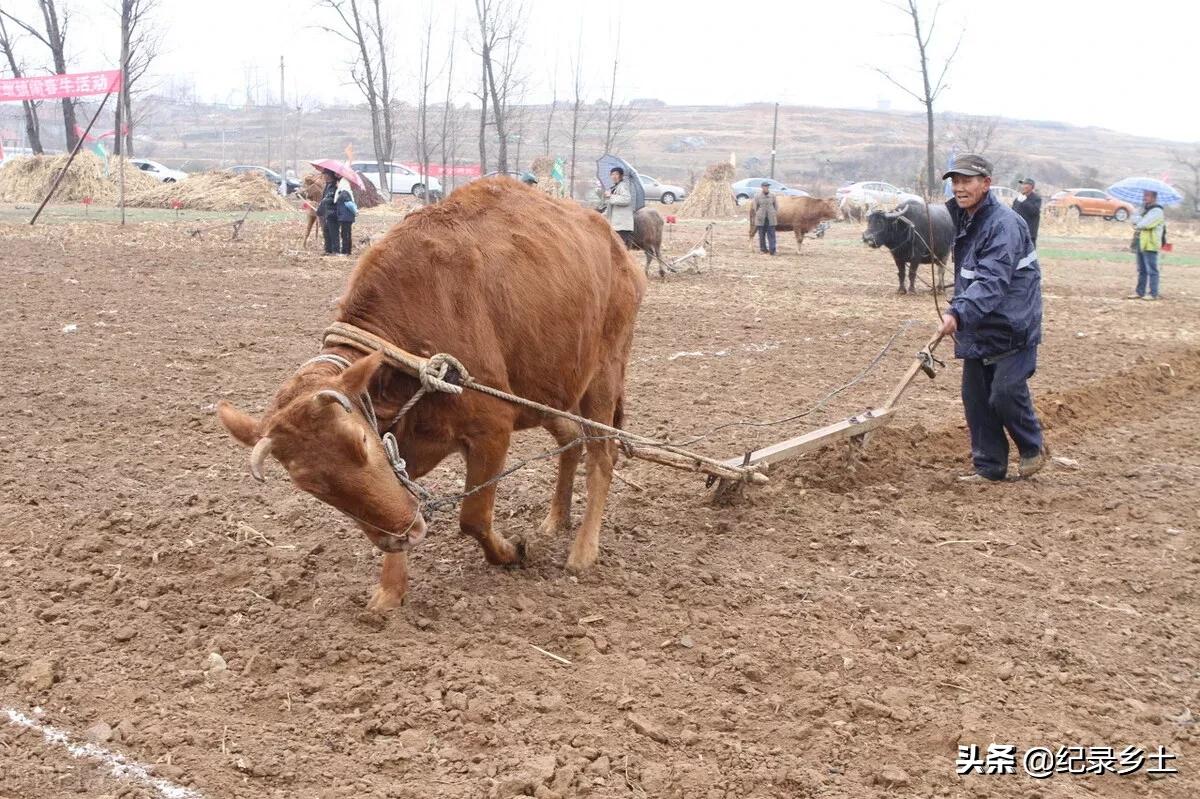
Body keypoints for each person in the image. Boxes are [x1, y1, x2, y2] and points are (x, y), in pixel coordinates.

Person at [937, 153, 1047, 482]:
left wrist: (958, 311)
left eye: (966, 181)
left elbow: (992, 280)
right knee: (976, 399)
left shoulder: (1005, 224)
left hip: (1012, 323)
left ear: (986, 184)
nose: (959, 187)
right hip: (979, 322)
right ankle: (990, 467)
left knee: (1005, 392)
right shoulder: (962, 218)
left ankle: (1033, 447)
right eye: (955, 181)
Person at [1127, 190, 1165, 301]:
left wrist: (1138, 220)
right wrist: (1138, 219)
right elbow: (1133, 221)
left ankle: (1153, 293)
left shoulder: (1157, 211)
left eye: (1147, 195)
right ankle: (1139, 292)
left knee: (1152, 270)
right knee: (1141, 269)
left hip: (1150, 244)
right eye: (1144, 195)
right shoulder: (1143, 209)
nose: (1144, 197)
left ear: (1154, 197)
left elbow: (1144, 225)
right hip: (1140, 242)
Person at [602, 167, 635, 248]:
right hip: (616, 224)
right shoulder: (615, 188)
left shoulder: (623, 186)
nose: (614, 176)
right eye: (612, 174)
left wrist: (611, 196)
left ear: (621, 176)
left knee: (619, 249)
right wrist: (601, 216)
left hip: (622, 225)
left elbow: (626, 199)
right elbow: (611, 207)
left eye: (616, 174)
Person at [315, 170, 339, 256]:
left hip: (333, 212)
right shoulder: (327, 185)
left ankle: (335, 250)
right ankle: (328, 250)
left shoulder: (336, 185)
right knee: (326, 231)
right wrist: (319, 211)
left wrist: (328, 200)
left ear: (329, 175)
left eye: (325, 174)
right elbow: (323, 199)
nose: (324, 176)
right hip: (326, 212)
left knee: (333, 232)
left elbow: (336, 199)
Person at [1012, 177, 1042, 246]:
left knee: (1029, 255)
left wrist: (1024, 202)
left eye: (1025, 184)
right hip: (1017, 232)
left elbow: (1035, 212)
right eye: (1022, 184)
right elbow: (1013, 213)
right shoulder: (1018, 199)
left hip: (1029, 233)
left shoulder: (1036, 199)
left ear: (1031, 187)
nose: (1022, 186)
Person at [752, 181, 779, 255]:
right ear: (762, 187)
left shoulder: (773, 195)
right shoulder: (757, 196)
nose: (766, 188)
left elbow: (776, 206)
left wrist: (773, 212)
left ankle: (772, 250)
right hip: (761, 218)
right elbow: (755, 207)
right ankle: (763, 249)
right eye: (765, 186)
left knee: (772, 235)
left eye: (767, 186)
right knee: (761, 235)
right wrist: (759, 213)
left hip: (771, 218)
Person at [334, 176, 358, 256]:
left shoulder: (344, 193)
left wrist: (356, 211)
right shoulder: (346, 192)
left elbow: (348, 204)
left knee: (345, 234)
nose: (337, 184)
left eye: (339, 183)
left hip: (345, 217)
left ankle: (345, 251)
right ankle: (348, 250)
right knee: (347, 233)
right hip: (346, 217)